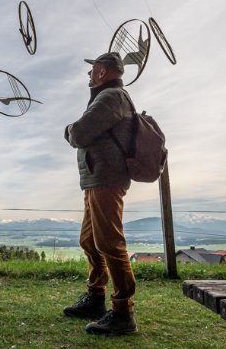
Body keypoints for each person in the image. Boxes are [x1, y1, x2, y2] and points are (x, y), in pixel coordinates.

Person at [63, 52, 138, 335]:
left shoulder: (111, 98)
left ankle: (123, 312)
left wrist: (68, 129)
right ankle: (96, 298)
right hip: (96, 179)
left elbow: (80, 133)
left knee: (110, 243)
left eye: (92, 69)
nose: (89, 74)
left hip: (106, 178)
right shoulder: (106, 97)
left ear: (103, 72)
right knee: (90, 240)